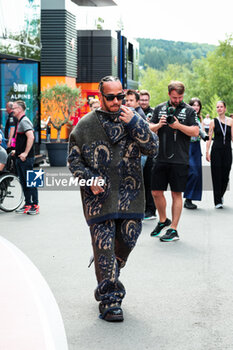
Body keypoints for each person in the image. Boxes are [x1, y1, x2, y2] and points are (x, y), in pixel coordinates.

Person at [68, 76, 157, 322]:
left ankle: (104, 261)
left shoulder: (133, 119)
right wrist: (89, 179)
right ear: (100, 97)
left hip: (132, 195)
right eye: (111, 97)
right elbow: (73, 161)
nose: (117, 101)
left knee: (127, 240)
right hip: (99, 199)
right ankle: (110, 300)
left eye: (121, 95)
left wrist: (137, 123)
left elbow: (153, 148)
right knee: (105, 247)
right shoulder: (85, 125)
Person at [149, 81, 199, 242]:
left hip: (180, 159)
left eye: (180, 97)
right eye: (174, 97)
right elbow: (148, 128)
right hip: (160, 157)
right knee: (156, 192)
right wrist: (159, 124)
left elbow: (196, 132)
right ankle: (163, 220)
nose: (177, 100)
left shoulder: (189, 111)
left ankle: (174, 229)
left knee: (176, 194)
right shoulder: (159, 108)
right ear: (169, 94)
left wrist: (178, 125)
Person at [12, 100, 39, 215]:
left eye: (14, 108)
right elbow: (22, 139)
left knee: (30, 182)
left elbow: (31, 137)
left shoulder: (24, 121)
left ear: (20, 109)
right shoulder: (20, 121)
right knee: (24, 182)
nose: (12, 110)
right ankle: (28, 204)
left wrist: (25, 153)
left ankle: (35, 205)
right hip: (21, 157)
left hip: (26, 158)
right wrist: (17, 151)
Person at [206, 101, 233, 208]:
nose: (219, 108)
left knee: (225, 176)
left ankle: (220, 195)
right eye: (217, 107)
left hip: (227, 151)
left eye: (221, 107)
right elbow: (209, 138)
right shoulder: (213, 121)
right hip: (216, 150)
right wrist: (207, 152)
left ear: (225, 109)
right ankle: (217, 201)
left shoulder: (231, 121)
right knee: (216, 175)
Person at [184, 98, 208, 210]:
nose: (196, 107)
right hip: (188, 145)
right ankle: (187, 198)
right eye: (193, 105)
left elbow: (201, 133)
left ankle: (190, 199)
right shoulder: (187, 116)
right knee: (193, 172)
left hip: (196, 146)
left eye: (198, 105)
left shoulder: (199, 118)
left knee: (197, 173)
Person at [139, 90, 156, 219]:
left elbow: (156, 128)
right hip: (138, 152)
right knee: (139, 182)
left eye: (146, 100)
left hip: (150, 152)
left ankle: (151, 209)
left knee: (149, 181)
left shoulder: (154, 112)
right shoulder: (134, 112)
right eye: (142, 99)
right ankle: (141, 208)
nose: (144, 102)